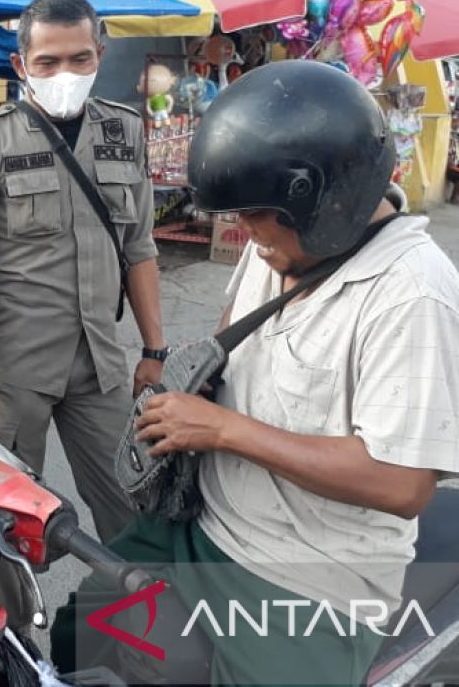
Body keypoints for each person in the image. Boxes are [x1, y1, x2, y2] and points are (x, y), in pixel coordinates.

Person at [52, 60, 459, 686]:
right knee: (78, 638)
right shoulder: (280, 247)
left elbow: (403, 484)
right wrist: (192, 386)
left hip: (306, 579)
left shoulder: (413, 295)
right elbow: (232, 335)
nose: (243, 234)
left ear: (322, 201)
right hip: (203, 525)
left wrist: (221, 429)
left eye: (253, 220)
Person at [0, 0, 164, 545]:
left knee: (135, 506)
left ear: (100, 55)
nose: (64, 72)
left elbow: (139, 245)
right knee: (3, 522)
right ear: (22, 66)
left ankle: (132, 624)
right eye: (47, 62)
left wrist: (154, 350)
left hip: (102, 365)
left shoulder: (124, 131)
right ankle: (8, 629)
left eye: (79, 59)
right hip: (21, 368)